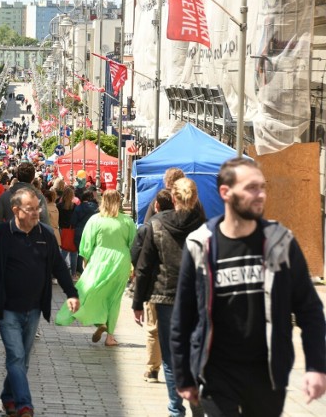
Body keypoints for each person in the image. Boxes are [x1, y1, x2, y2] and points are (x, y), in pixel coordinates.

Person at [171, 158, 326, 416]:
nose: (260, 195)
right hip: (215, 374)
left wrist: (316, 366)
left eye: (262, 187)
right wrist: (183, 375)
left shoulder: (280, 242)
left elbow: (310, 310)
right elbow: (183, 316)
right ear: (225, 192)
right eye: (251, 188)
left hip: (267, 375)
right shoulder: (201, 244)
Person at [0, 188, 80, 417]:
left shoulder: (45, 235)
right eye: (31, 209)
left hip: (34, 308)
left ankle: (8, 396)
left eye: (38, 207)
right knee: (16, 356)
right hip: (7, 309)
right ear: (16, 210)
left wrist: (72, 293)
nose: (37, 212)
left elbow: (59, 266)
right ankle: (24, 405)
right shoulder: (0, 235)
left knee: (23, 359)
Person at [133, 178, 205, 417]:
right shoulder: (207, 228)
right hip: (197, 299)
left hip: (164, 298)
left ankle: (176, 409)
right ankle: (197, 406)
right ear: (195, 198)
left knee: (172, 356)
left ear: (173, 198)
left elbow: (144, 266)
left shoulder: (156, 225)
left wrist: (137, 304)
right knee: (195, 353)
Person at [56, 190, 136, 347]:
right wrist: (133, 266)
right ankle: (110, 337)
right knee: (114, 300)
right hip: (121, 262)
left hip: (99, 260)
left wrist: (85, 261)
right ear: (119, 202)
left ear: (102, 201)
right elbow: (133, 244)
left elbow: (86, 244)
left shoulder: (95, 220)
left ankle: (99, 323)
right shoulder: (127, 221)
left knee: (90, 293)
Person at [130, 189, 174, 383]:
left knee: (153, 329)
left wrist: (137, 300)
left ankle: (152, 369)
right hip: (179, 285)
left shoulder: (149, 227)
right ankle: (173, 367)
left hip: (155, 286)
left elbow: (139, 260)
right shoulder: (188, 225)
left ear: (156, 206)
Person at [0, 162, 49, 227]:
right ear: (33, 178)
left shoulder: (5, 196)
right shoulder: (39, 197)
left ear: (17, 176)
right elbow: (45, 223)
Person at [70, 190, 99, 274]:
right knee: (93, 250)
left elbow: (73, 221)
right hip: (93, 231)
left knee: (80, 251)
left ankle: (80, 270)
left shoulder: (79, 207)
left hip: (80, 231)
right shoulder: (97, 208)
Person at [57, 186, 78, 281]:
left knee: (63, 252)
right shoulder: (75, 206)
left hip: (63, 230)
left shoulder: (59, 206)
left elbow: (58, 219)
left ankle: (58, 272)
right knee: (74, 254)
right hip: (72, 230)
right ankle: (73, 275)